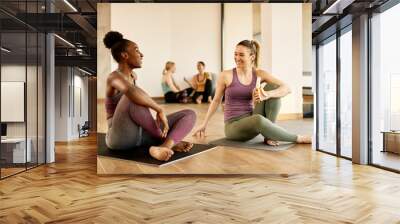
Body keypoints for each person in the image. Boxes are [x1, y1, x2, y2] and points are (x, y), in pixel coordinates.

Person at [193, 40, 311, 145]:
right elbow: (216, 100)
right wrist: (204, 124)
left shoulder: (259, 73)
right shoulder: (226, 75)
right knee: (258, 119)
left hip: (251, 117)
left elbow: (287, 88)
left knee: (272, 87)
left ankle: (269, 135)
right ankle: (298, 138)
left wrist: (267, 95)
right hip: (233, 126)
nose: (237, 58)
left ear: (252, 57)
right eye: (235, 54)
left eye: (241, 55)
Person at [103, 31, 196, 161]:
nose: (141, 54)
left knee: (190, 114)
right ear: (125, 55)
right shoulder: (114, 77)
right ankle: (164, 139)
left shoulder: (133, 76)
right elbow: (133, 93)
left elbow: (139, 102)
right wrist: (159, 109)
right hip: (119, 137)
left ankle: (165, 146)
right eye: (136, 50)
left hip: (140, 135)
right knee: (131, 97)